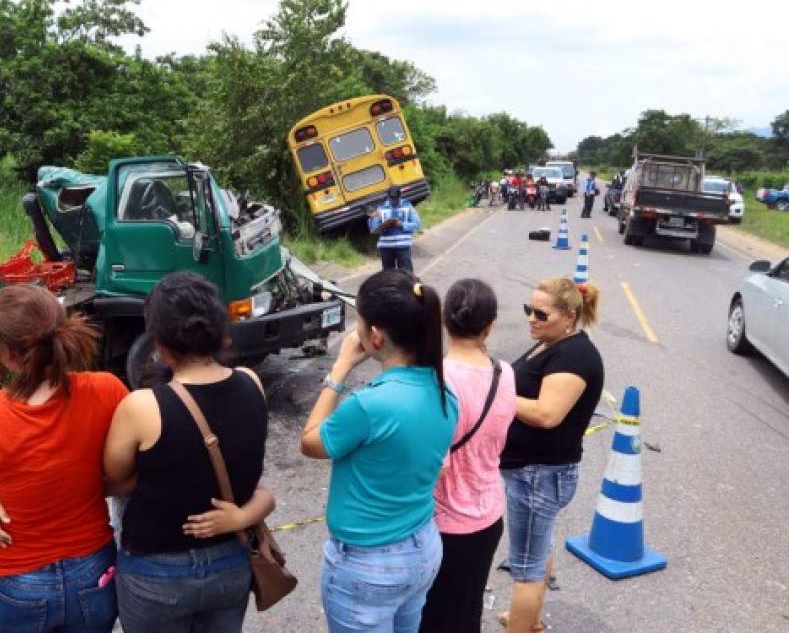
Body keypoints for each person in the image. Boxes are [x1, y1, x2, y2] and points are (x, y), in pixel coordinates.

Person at [102, 271, 275, 633]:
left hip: (156, 573)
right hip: (231, 563)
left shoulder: (142, 406)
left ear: (160, 342)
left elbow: (115, 479)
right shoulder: (251, 382)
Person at [0, 284, 128, 633]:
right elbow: (131, 474)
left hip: (17, 580)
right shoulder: (107, 390)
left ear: (4, 353)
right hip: (93, 572)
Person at [300, 270, 458, 633]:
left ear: (374, 335)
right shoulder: (444, 393)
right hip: (422, 545)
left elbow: (310, 442)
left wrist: (339, 369)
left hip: (369, 565)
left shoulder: (369, 405)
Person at [498, 277, 604, 633]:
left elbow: (547, 414)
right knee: (537, 549)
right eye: (529, 309)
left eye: (541, 313)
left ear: (570, 316)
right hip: (533, 471)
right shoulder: (548, 343)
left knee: (525, 569)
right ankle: (530, 621)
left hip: (539, 474)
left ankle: (521, 623)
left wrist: (493, 394)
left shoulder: (574, 355)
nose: (531, 318)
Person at [420, 279, 517, 633]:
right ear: (490, 326)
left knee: (432, 616)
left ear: (445, 321)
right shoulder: (504, 373)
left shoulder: (436, 380)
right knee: (466, 609)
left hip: (441, 524)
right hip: (488, 517)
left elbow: (434, 467)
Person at [368, 185, 422, 272]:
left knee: (406, 273)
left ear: (400, 195)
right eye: (392, 198)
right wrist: (373, 218)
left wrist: (402, 225)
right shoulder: (381, 207)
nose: (394, 200)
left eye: (395, 198)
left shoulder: (407, 206)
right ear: (388, 196)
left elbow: (417, 224)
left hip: (403, 245)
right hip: (385, 246)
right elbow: (373, 228)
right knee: (388, 274)